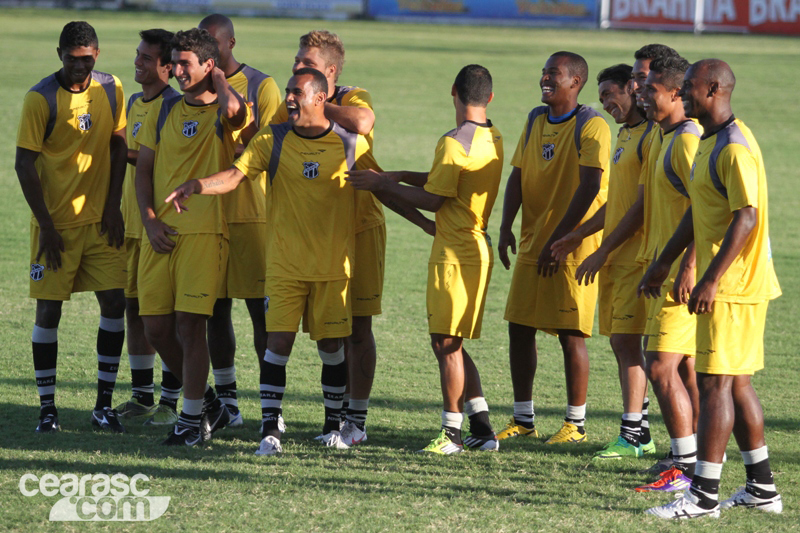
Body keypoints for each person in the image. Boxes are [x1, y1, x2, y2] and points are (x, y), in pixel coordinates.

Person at [166, 68, 369, 455]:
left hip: (332, 266)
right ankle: (270, 428)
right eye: (288, 92)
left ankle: (332, 425)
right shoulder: (272, 139)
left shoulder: (349, 141)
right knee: (278, 343)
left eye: (297, 93)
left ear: (320, 99)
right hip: (284, 266)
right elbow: (234, 176)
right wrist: (198, 185)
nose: (288, 99)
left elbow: (376, 182)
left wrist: (424, 214)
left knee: (330, 346)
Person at [272, 31, 431, 445]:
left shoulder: (355, 97)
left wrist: (320, 103)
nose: (296, 69)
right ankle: (326, 418)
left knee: (358, 327)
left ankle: (355, 423)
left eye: (305, 64)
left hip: (359, 227)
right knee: (313, 330)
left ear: (330, 72)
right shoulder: (293, 97)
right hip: (312, 231)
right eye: (295, 61)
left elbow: (362, 123)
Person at [644, 59, 782, 519]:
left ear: (716, 88)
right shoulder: (708, 139)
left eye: (690, 88)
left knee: (716, 383)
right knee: (735, 383)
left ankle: (702, 495)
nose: (683, 94)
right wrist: (665, 259)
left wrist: (710, 277)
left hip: (736, 288)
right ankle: (762, 487)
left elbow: (747, 215)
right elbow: (699, 210)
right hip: (730, 285)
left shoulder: (735, 146)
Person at [347, 64, 503, 454]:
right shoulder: (493, 135)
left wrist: (383, 182)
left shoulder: (453, 141)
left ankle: (451, 434)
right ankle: (482, 428)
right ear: (490, 97)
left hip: (455, 251)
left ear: (453, 91)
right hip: (476, 246)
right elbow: (446, 180)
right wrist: (398, 174)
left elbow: (436, 199)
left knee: (446, 344)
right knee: (452, 342)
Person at [135, 28, 249, 446]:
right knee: (156, 328)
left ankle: (190, 421)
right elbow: (143, 170)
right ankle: (210, 404)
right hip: (160, 232)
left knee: (189, 326)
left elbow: (237, 112)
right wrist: (149, 220)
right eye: (175, 63)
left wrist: (218, 80)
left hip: (204, 232)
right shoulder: (161, 111)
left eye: (186, 64)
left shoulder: (224, 111)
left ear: (209, 65)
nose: (177, 71)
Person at [16, 21, 128, 433]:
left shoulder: (112, 88)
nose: (80, 66)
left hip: (101, 222)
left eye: (87, 59)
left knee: (115, 303)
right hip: (56, 226)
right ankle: (48, 408)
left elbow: (118, 142)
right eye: (71, 58)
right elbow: (23, 164)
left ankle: (104, 405)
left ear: (96, 54)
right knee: (49, 310)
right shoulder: (40, 98)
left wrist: (113, 204)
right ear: (59, 53)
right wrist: (45, 224)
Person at [497, 51, 610, 444]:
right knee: (519, 328)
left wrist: (561, 239)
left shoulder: (593, 125)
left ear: (576, 82)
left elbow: (591, 186)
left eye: (554, 74)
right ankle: (523, 420)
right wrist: (506, 225)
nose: (545, 79)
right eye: (544, 72)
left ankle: (575, 424)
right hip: (534, 241)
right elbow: (518, 174)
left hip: (572, 247)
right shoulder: (534, 119)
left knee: (570, 333)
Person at [550, 63, 656, 459]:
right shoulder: (626, 134)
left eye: (613, 94)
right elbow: (619, 202)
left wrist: (602, 249)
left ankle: (635, 435)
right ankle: (639, 431)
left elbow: (642, 208)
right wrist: (578, 234)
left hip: (636, 256)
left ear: (633, 88)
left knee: (634, 345)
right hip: (617, 256)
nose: (608, 103)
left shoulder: (651, 136)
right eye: (604, 96)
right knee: (622, 343)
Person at [198, 14, 282, 427]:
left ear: (232, 42)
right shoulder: (192, 89)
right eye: (203, 47)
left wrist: (234, 116)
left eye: (215, 44)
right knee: (215, 311)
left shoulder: (261, 85)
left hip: (252, 215)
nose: (210, 54)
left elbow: (268, 143)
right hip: (210, 216)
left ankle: (272, 407)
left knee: (260, 315)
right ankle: (228, 405)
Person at [633, 56, 704, 493]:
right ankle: (689, 458)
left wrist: (689, 267)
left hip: (683, 277)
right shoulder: (663, 135)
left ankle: (686, 467)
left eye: (651, 90)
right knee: (684, 369)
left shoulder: (687, 140)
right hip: (664, 270)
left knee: (659, 367)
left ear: (677, 94)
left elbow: (708, 209)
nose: (642, 94)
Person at [115, 29, 183, 427]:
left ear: (168, 67)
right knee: (134, 307)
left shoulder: (174, 106)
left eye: (145, 58)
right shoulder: (137, 101)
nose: (137, 63)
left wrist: (111, 150)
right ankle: (142, 395)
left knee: (166, 316)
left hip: (160, 224)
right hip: (132, 221)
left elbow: (155, 162)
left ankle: (171, 401)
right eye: (137, 55)